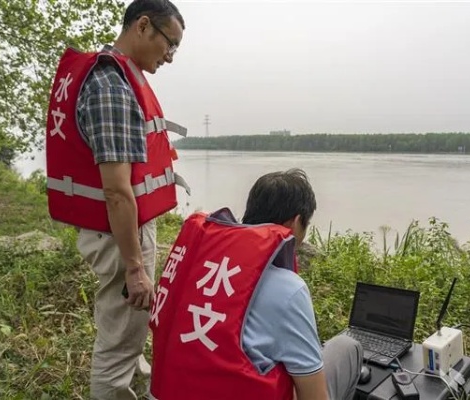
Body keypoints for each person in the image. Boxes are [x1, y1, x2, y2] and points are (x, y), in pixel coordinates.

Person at [44, 1, 187, 399]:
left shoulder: (114, 77)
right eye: (170, 44)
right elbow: (117, 190)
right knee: (118, 346)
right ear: (143, 26)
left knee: (128, 333)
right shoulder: (112, 87)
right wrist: (134, 268)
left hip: (117, 232)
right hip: (120, 235)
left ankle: (136, 389)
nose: (171, 57)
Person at [149, 169, 363, 400]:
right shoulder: (288, 289)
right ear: (296, 222)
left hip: (171, 390)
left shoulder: (193, 265)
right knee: (346, 347)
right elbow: (314, 396)